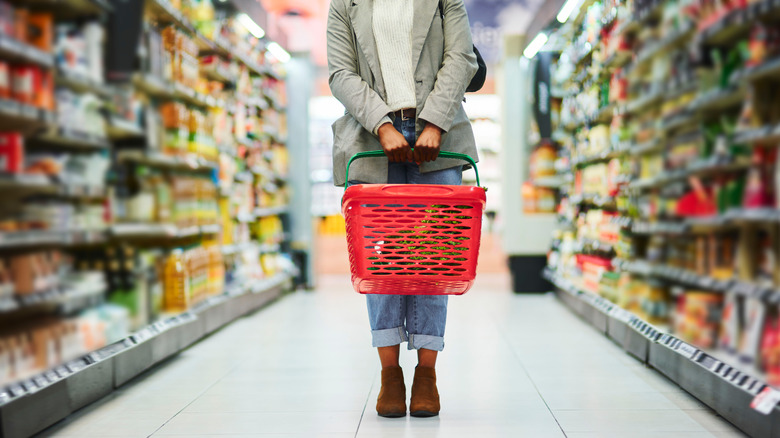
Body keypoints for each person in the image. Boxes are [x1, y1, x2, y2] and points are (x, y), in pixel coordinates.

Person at [327, 0, 478, 418]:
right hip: (370, 137)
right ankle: (390, 372)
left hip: (440, 136)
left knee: (434, 259)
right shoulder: (345, 3)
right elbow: (341, 73)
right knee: (383, 262)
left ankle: (426, 372)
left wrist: (434, 122)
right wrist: (382, 123)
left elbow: (461, 57)